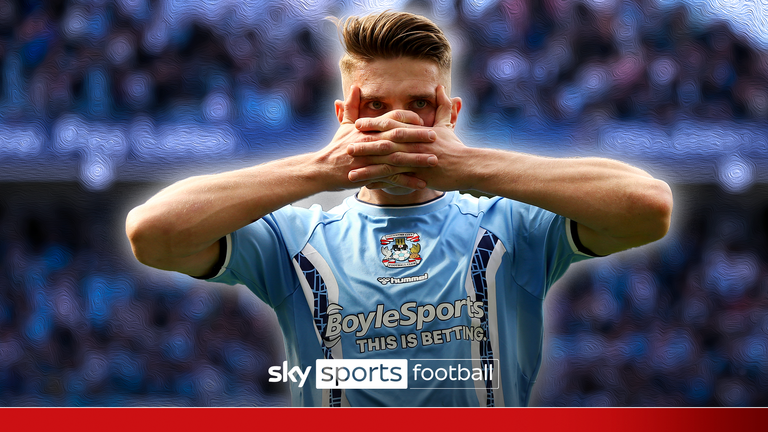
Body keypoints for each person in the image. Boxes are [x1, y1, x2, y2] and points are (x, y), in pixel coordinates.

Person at [125, 11, 673, 407]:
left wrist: (472, 166)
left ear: (451, 114)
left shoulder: (513, 226)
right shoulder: (295, 241)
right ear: (343, 117)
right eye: (376, 107)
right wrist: (321, 168)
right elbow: (152, 233)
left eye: (420, 106)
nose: (400, 124)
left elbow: (649, 207)